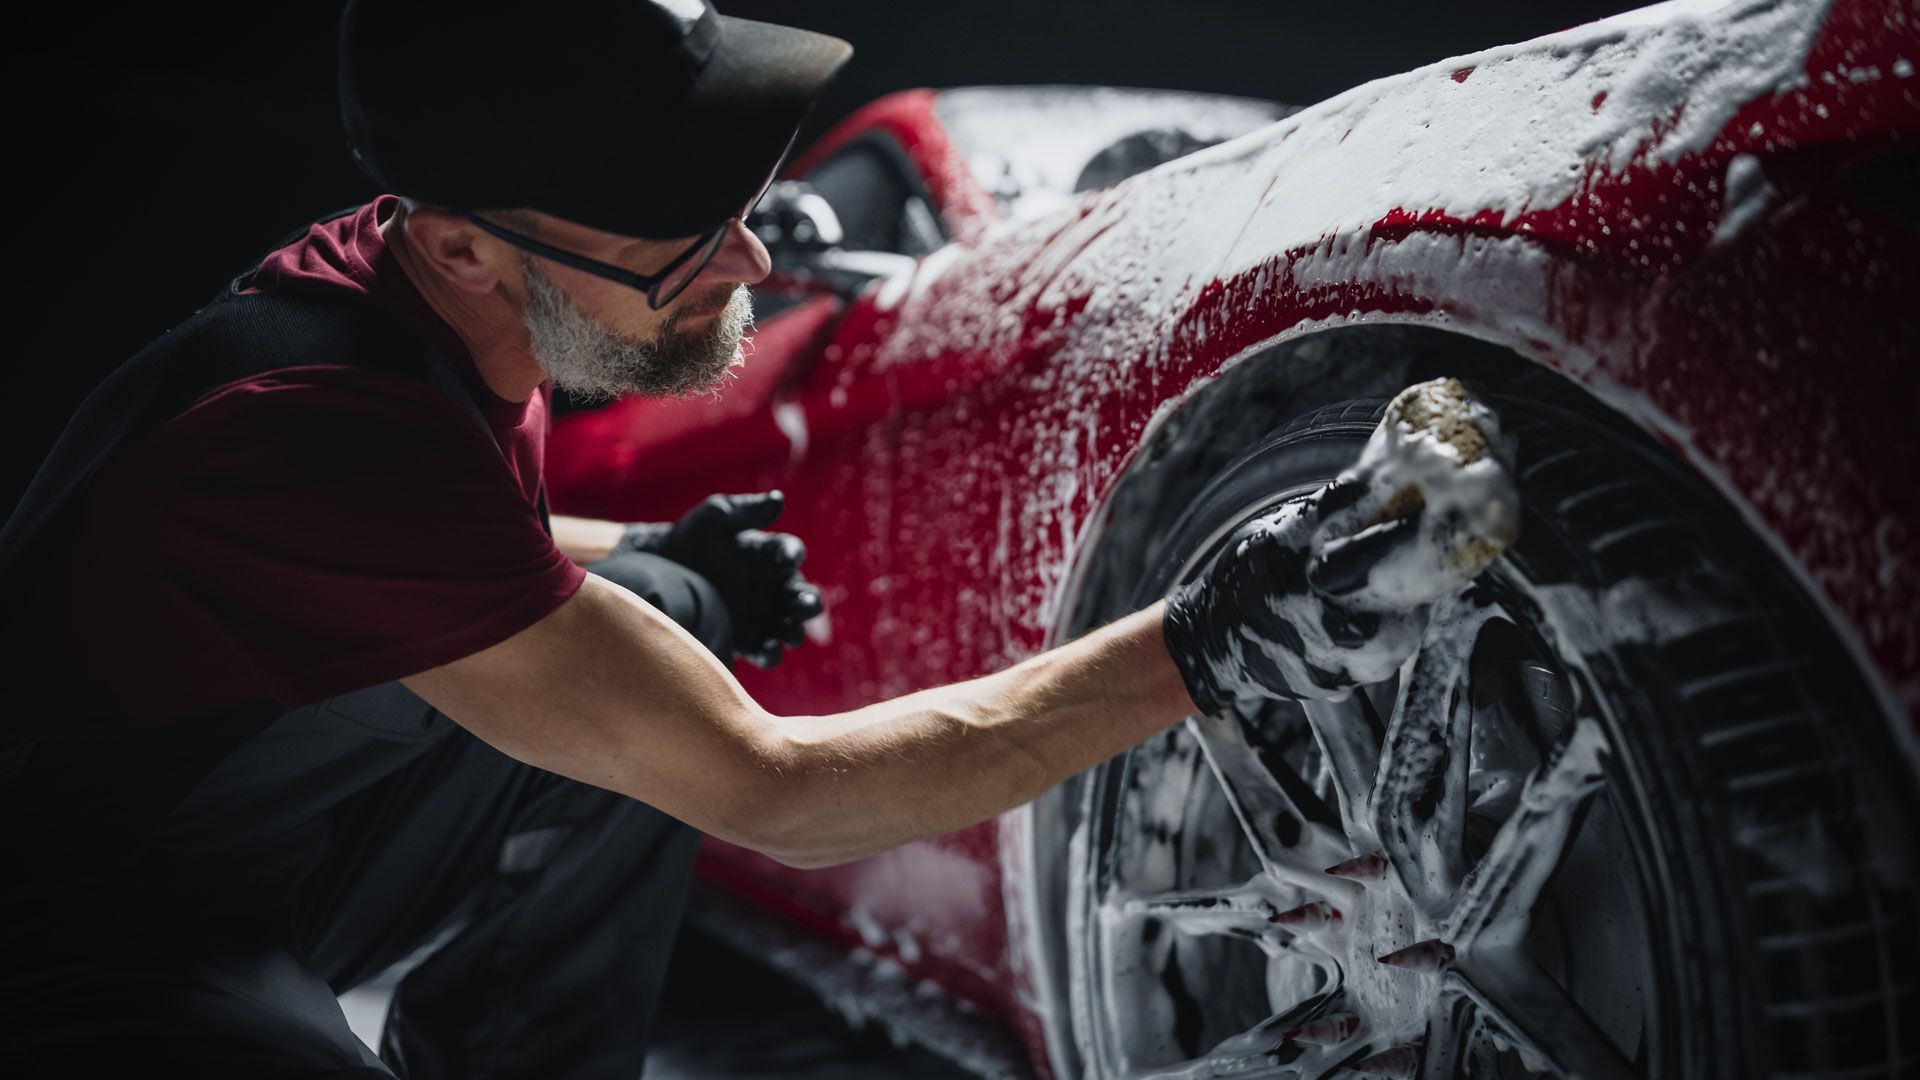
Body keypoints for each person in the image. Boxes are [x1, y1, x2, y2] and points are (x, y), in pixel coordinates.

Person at [0, 1, 1517, 1077]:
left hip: (248, 850)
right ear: (464, 246)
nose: (742, 253)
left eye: (737, 199)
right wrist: (1229, 631)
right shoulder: (311, 429)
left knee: (668, 600)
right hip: (89, 947)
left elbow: (426, 548)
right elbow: (776, 792)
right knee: (678, 698)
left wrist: (637, 548)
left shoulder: (414, 289)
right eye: (684, 227)